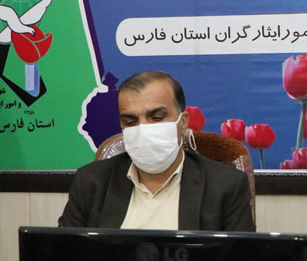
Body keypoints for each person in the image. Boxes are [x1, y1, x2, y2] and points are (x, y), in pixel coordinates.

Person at [59, 70, 255, 231]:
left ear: (182, 122)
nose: (143, 129)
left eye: (157, 117)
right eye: (131, 121)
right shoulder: (91, 182)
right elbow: (62, 256)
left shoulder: (226, 185)